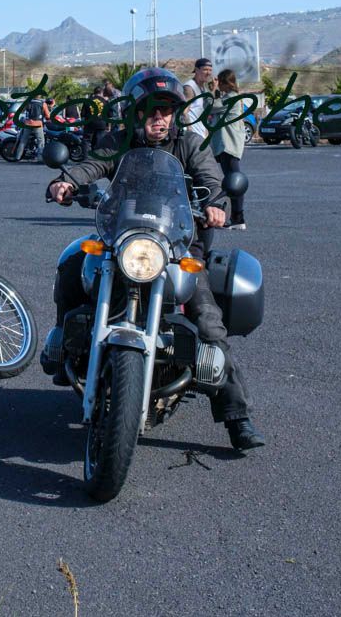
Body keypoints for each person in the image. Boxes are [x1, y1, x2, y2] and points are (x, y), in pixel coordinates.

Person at [44, 67, 265, 452]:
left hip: (177, 249)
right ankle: (65, 344)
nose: (158, 118)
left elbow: (212, 180)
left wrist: (215, 204)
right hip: (123, 243)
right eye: (150, 109)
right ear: (134, 112)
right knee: (73, 266)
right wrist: (67, 181)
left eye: (165, 110)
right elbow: (91, 165)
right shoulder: (117, 142)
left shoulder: (191, 145)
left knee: (209, 323)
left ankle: (237, 417)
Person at [211, 69, 248, 230]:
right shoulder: (232, 97)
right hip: (229, 144)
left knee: (234, 183)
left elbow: (212, 107)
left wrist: (212, 90)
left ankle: (238, 218)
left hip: (229, 145)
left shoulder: (231, 98)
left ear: (226, 82)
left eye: (220, 81)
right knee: (232, 180)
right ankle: (236, 218)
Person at [15, 95, 50, 160]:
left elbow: (21, 111)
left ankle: (18, 157)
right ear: (40, 97)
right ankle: (40, 158)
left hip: (28, 123)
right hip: (38, 124)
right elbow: (48, 116)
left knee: (23, 141)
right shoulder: (43, 104)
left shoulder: (28, 102)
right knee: (41, 142)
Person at [181, 58, 214, 126]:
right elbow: (184, 111)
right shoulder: (189, 87)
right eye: (205, 70)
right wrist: (189, 129)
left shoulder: (204, 89)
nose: (208, 73)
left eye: (210, 70)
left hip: (202, 132)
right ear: (196, 70)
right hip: (192, 132)